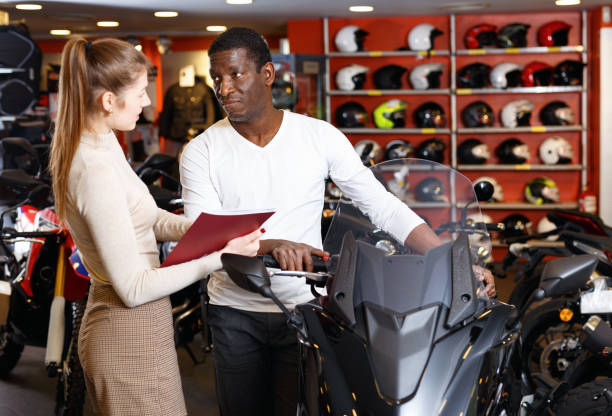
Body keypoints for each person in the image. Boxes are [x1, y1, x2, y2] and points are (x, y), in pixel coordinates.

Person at [179, 27, 495, 416]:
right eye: (217, 78)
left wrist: (451, 259)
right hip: (234, 310)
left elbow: (382, 206)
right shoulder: (202, 150)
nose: (224, 88)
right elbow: (203, 232)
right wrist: (272, 245)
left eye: (235, 74)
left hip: (306, 308)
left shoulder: (317, 136)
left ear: (267, 73)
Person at [48, 36, 261, 416]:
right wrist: (219, 257)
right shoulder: (93, 169)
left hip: (145, 327)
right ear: (108, 101)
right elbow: (132, 288)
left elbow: (144, 218)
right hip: (124, 329)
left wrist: (208, 230)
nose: (148, 102)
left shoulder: (106, 143)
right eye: (142, 92)